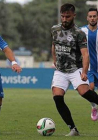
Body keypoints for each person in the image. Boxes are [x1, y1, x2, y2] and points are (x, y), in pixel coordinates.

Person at [51, 3, 98, 136]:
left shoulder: (79, 33)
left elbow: (85, 54)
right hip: (60, 70)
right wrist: (54, 59)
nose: (65, 19)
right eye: (63, 16)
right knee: (57, 97)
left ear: (74, 16)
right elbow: (54, 45)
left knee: (84, 92)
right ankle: (73, 129)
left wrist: (84, 71)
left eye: (68, 16)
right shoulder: (54, 29)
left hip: (75, 68)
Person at [81, 8, 98, 121]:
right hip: (90, 67)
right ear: (87, 18)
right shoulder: (82, 31)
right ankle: (94, 107)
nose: (92, 18)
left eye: (94, 16)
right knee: (90, 88)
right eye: (90, 16)